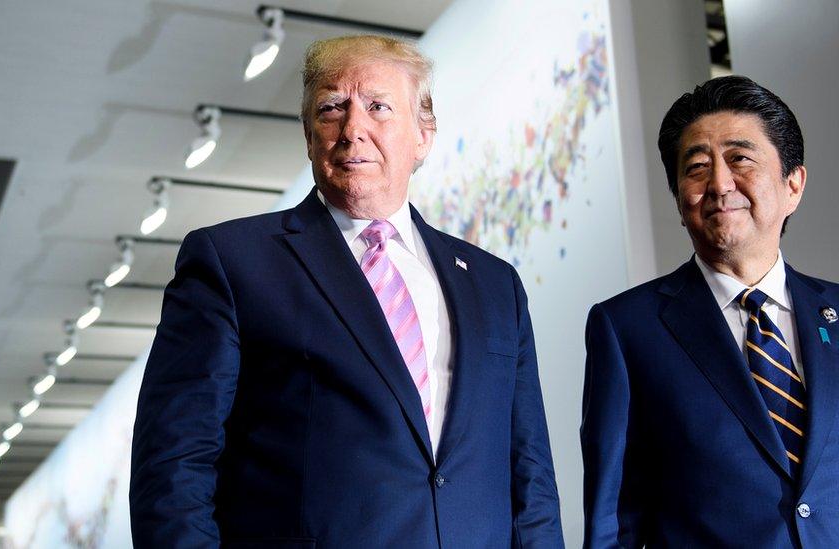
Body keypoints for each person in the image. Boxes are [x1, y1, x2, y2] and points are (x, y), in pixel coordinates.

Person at [130, 35, 564, 548]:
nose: (353, 129)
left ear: (424, 135)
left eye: (378, 107)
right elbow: (176, 461)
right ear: (310, 136)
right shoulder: (232, 261)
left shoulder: (495, 285)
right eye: (332, 107)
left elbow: (529, 471)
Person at [581, 75, 839, 547]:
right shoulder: (627, 329)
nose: (719, 183)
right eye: (696, 168)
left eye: (740, 159)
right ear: (680, 201)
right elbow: (613, 521)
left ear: (793, 185)